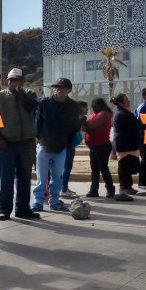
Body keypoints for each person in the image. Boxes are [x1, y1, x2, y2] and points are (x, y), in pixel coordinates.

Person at [0, 68, 40, 221]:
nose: (14, 82)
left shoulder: (30, 94)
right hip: (7, 144)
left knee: (25, 178)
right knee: (6, 179)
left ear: (22, 81)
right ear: (7, 81)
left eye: (17, 80)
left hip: (27, 143)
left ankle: (23, 209)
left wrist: (21, 94)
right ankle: (4, 210)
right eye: (11, 80)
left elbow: (32, 107)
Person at [31, 77, 83, 213]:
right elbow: (37, 123)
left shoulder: (73, 106)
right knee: (41, 177)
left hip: (62, 147)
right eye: (57, 87)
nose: (59, 90)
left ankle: (54, 201)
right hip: (44, 144)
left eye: (63, 87)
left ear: (69, 90)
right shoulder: (43, 103)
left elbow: (75, 126)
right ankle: (38, 202)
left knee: (57, 176)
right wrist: (39, 140)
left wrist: (69, 144)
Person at [111, 92, 146, 199]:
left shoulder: (124, 112)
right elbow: (136, 125)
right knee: (124, 166)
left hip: (128, 144)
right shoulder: (122, 114)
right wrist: (142, 125)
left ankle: (128, 186)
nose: (129, 101)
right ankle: (124, 186)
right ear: (122, 102)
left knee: (128, 166)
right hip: (124, 144)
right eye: (127, 99)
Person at [82, 97, 116, 199]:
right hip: (94, 146)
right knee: (95, 169)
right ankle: (94, 190)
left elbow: (89, 126)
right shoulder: (96, 115)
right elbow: (86, 126)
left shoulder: (103, 114)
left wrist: (84, 124)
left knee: (103, 168)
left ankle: (110, 189)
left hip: (102, 145)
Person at [60, 101, 88, 199]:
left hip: (70, 145)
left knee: (68, 167)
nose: (87, 110)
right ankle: (63, 189)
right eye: (85, 108)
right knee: (66, 167)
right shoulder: (77, 117)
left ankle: (64, 187)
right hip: (66, 145)